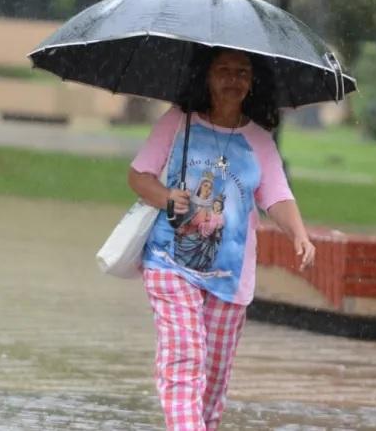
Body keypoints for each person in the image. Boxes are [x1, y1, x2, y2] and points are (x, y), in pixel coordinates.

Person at [127, 48, 315, 430]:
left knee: (212, 383)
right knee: (186, 354)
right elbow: (139, 175)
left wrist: (299, 233)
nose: (233, 79)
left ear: (252, 81)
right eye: (223, 70)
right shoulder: (179, 121)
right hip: (170, 261)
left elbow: (276, 194)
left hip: (229, 277)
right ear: (206, 76)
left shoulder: (259, 140)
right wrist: (166, 197)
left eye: (242, 72)